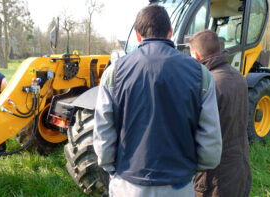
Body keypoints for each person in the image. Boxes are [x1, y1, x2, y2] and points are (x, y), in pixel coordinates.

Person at [93, 5, 222, 197]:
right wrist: (194, 168)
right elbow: (210, 138)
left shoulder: (114, 73)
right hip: (179, 185)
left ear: (137, 35)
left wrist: (111, 168)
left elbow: (104, 130)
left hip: (128, 184)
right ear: (170, 32)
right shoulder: (201, 74)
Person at [189, 30, 252, 197]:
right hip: (240, 166)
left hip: (215, 178)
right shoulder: (238, 76)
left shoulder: (207, 84)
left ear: (196, 55)